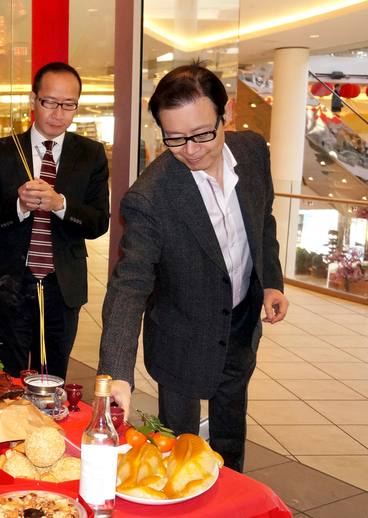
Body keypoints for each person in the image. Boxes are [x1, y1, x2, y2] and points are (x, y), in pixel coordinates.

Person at [98, 61, 289, 472]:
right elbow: (130, 285)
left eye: (203, 133)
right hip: (180, 333)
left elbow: (264, 219)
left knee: (230, 434)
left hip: (239, 323)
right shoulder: (150, 196)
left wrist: (271, 281)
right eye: (175, 138)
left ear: (227, 114)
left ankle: (233, 506)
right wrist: (116, 374)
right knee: (178, 449)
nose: (191, 149)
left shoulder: (253, 151)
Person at [0, 62, 110, 380]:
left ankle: (50, 430)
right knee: (8, 378)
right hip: (10, 284)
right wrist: (18, 206)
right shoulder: (1, 151)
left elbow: (98, 223)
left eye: (68, 104)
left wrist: (61, 204)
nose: (59, 113)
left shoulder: (90, 155)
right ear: (33, 100)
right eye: (50, 102)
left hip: (63, 287)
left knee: (53, 376)